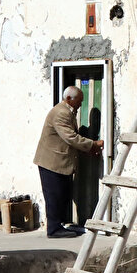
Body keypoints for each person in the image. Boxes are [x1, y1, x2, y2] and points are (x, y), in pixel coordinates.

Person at [34, 86, 104, 238]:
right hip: (52, 162)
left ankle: (59, 225)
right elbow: (70, 137)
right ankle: (53, 229)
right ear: (69, 99)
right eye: (79, 101)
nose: (80, 104)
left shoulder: (67, 111)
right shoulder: (61, 113)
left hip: (61, 162)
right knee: (54, 196)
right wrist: (93, 144)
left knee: (62, 194)